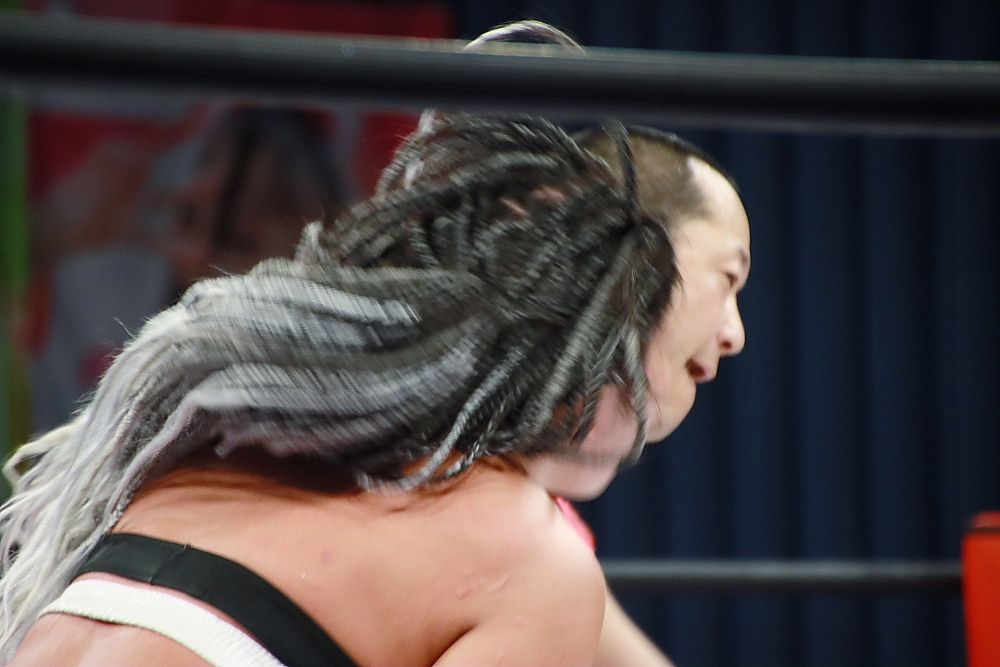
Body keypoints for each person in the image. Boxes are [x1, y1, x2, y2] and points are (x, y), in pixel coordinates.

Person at [0, 92, 749, 667]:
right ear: (638, 274)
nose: (736, 333)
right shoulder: (521, 550)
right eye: (728, 278)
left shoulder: (228, 448)